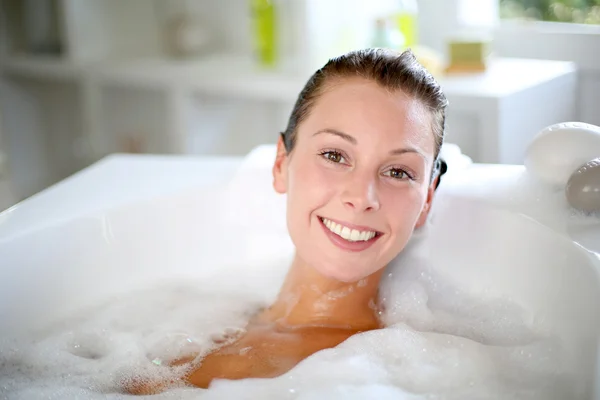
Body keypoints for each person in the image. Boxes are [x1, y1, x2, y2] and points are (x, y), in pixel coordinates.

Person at [125, 47, 448, 394]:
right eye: (335, 155)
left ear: (427, 199)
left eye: (398, 172)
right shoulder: (169, 323)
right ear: (281, 163)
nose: (362, 197)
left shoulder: (399, 376)